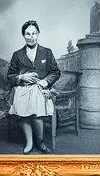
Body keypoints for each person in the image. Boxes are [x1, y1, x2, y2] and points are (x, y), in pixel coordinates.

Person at [6, 21, 61, 154]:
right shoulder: (17, 54)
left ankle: (40, 142)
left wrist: (46, 82)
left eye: (34, 33)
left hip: (40, 89)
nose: (31, 36)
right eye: (27, 34)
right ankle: (29, 142)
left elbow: (55, 72)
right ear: (23, 36)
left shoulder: (47, 53)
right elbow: (10, 76)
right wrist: (21, 78)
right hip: (22, 89)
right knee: (23, 113)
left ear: (38, 34)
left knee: (37, 114)